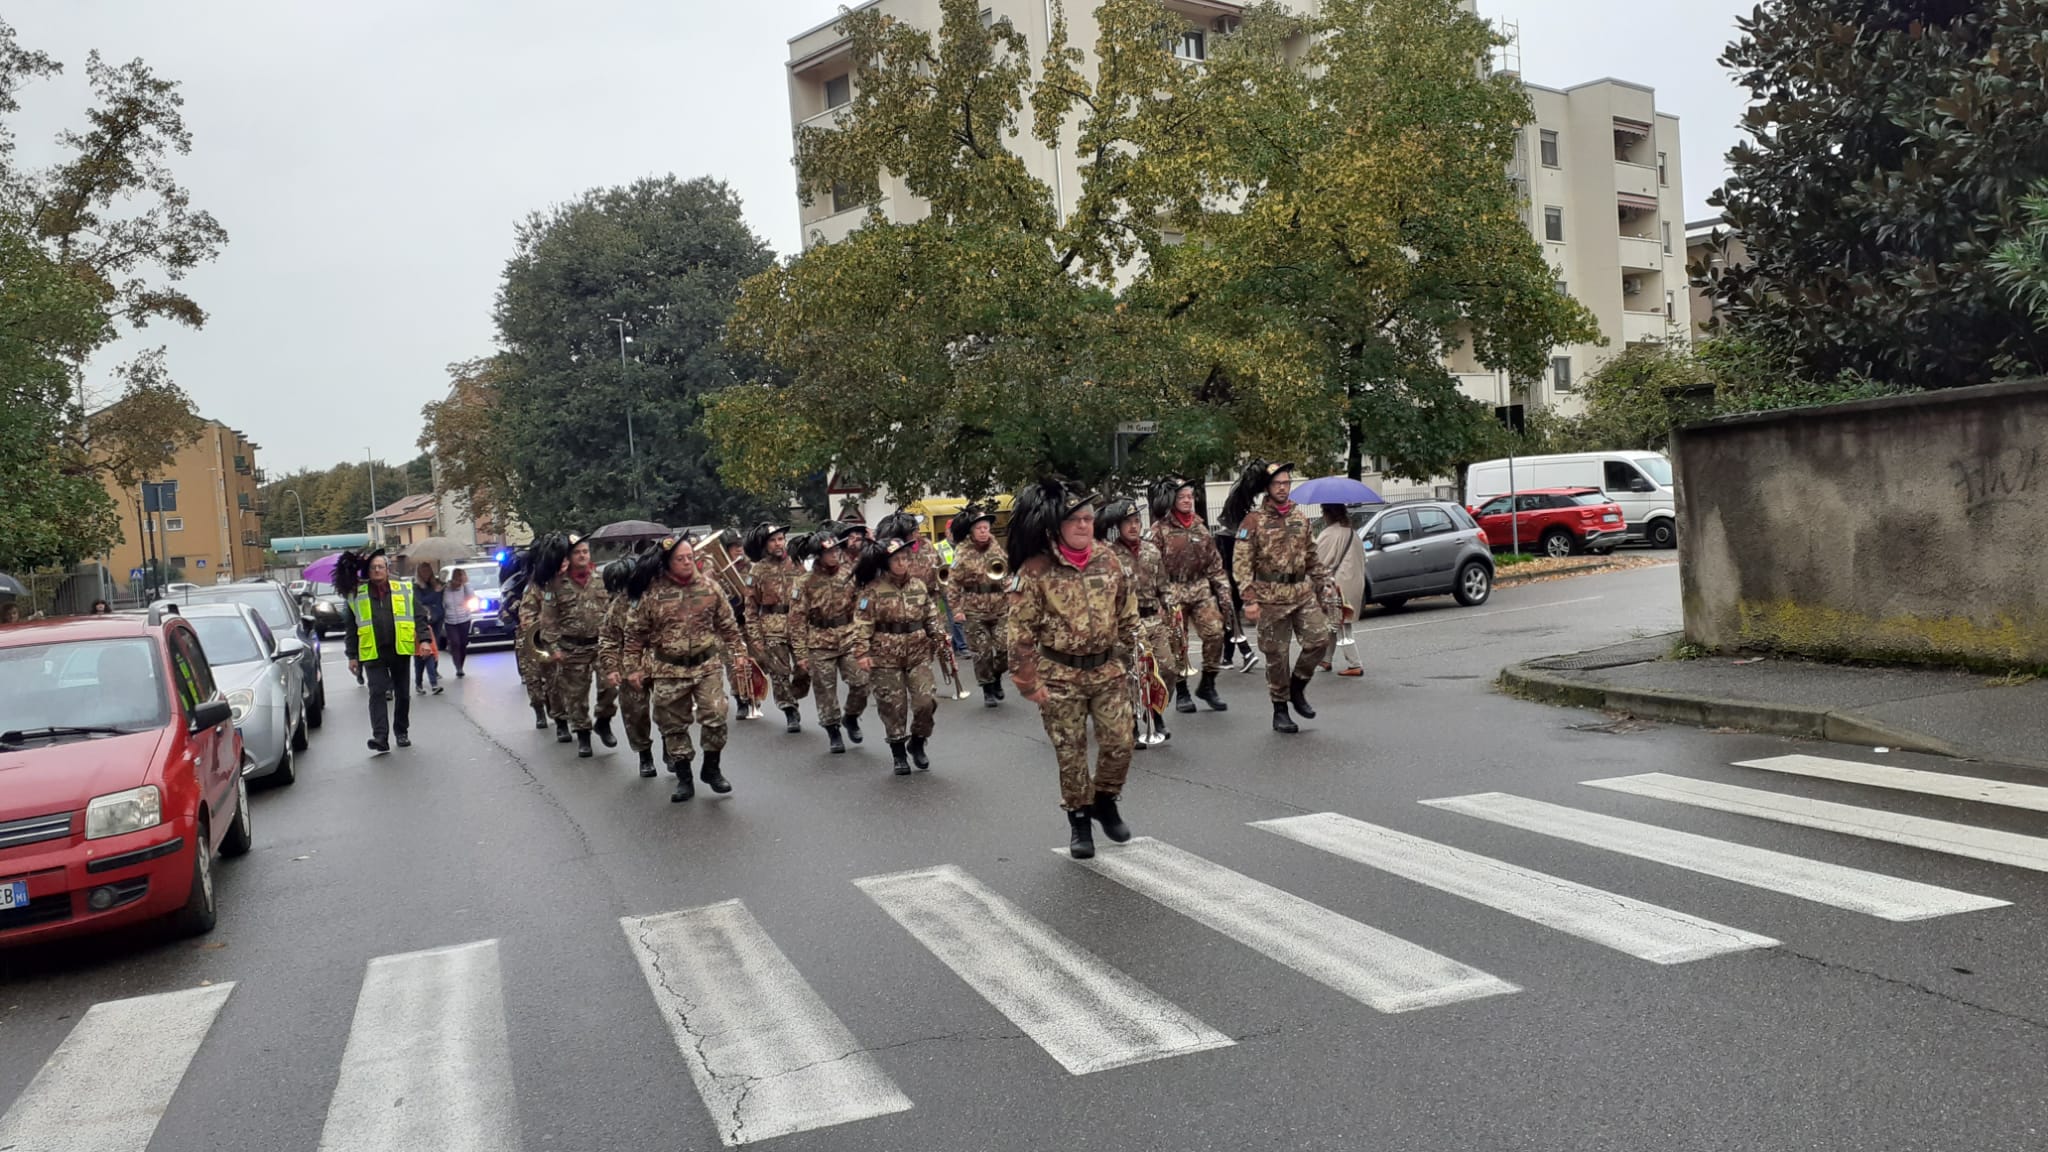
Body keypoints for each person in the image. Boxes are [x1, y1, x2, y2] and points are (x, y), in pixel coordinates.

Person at [1008, 480, 1139, 860]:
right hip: (1059, 674)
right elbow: (1019, 632)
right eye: (1076, 520)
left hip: (1106, 670)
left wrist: (1134, 655)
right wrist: (1027, 682)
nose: (1084, 526)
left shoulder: (1109, 559)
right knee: (1071, 752)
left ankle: (1105, 800)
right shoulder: (1036, 570)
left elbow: (1126, 611)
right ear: (1057, 526)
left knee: (1120, 742)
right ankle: (1080, 820)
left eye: (1088, 519)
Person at [623, 534, 750, 802]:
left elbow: (728, 625)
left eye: (690, 557)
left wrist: (739, 653)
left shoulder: (710, 587)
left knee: (716, 714)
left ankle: (711, 769)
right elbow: (634, 634)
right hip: (669, 669)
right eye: (680, 559)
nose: (687, 562)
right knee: (673, 725)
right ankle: (684, 778)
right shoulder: (652, 593)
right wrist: (632, 668)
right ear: (668, 562)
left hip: (707, 665)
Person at [1224, 461, 1336, 734]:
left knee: (1319, 639)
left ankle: (1297, 687)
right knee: (1277, 656)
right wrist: (1249, 600)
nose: (1283, 488)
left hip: (1301, 593)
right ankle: (1280, 709)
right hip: (1270, 599)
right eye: (1278, 484)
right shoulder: (1253, 522)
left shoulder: (1300, 518)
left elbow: (1311, 557)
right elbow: (1241, 564)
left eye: (1287, 483)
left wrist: (1325, 585)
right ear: (1268, 487)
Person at [853, 538, 945, 775]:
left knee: (926, 702)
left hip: (917, 653)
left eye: (905, 558)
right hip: (885, 657)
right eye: (896, 559)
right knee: (893, 707)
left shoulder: (918, 586)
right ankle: (898, 753)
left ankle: (917, 741)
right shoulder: (872, 590)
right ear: (887, 562)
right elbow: (862, 624)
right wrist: (862, 652)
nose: (902, 563)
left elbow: (931, 616)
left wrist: (940, 637)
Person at [1148, 478, 1233, 714]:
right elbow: (1150, 565)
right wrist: (1155, 599)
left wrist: (1224, 591)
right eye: (1182, 497)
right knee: (1177, 642)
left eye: (1190, 497)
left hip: (1199, 588)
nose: (1187, 501)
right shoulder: (1160, 530)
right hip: (1171, 591)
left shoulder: (1200, 527)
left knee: (1215, 633)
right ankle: (1182, 690)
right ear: (1173, 500)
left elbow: (1215, 563)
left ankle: (1208, 683)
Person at [519, 533, 609, 755]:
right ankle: (564, 723)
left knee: (607, 686)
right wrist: (548, 642)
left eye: (584, 552)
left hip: (596, 644)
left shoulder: (598, 579)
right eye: (574, 554)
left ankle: (602, 719)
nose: (577, 558)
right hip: (556, 643)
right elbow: (529, 615)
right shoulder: (544, 585)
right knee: (559, 687)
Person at [338, 549, 430, 753]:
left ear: (387, 569)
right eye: (373, 568)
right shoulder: (358, 595)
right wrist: (352, 656)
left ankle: (401, 731)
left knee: (403, 694)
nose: (377, 570)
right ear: (368, 572)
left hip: (400, 649)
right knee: (377, 692)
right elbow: (352, 627)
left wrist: (424, 641)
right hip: (373, 653)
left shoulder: (404, 589)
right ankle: (380, 737)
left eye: (380, 567)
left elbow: (419, 616)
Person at [1098, 499, 1172, 747]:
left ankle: (1156, 711)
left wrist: (1170, 608)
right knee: (1131, 676)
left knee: (1166, 668)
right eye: (1128, 522)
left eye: (1136, 521)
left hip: (1152, 619)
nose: (1133, 526)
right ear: (1118, 526)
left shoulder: (1152, 551)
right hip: (1126, 624)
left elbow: (1164, 585)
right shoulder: (1109, 555)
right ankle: (1132, 724)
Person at [789, 522, 869, 754]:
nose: (835, 555)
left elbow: (861, 608)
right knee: (825, 691)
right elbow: (796, 621)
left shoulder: (848, 575)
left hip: (848, 638)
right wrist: (801, 654)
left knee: (861, 683)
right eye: (830, 552)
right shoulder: (804, 583)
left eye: (836, 551)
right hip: (819, 643)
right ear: (819, 555)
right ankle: (833, 730)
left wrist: (864, 639)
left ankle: (851, 716)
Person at [742, 522, 812, 733]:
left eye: (780, 539)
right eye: (773, 540)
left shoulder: (797, 565)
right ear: (765, 545)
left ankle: (794, 694)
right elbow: (750, 607)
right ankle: (789, 709)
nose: (778, 543)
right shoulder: (758, 570)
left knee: (804, 669)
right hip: (772, 625)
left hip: (799, 624)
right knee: (779, 673)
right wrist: (755, 637)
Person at [596, 558, 656, 775]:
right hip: (629, 663)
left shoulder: (655, 597)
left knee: (670, 711)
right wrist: (611, 667)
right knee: (635, 713)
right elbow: (608, 639)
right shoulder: (617, 606)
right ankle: (644, 754)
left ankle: (674, 749)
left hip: (661, 661)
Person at [948, 503, 1011, 707]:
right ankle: (987, 689)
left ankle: (997, 677)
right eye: (979, 528)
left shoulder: (997, 548)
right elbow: (953, 583)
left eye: (986, 527)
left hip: (1000, 607)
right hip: (974, 610)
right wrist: (956, 610)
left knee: (1004, 649)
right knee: (982, 652)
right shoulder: (963, 552)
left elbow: (1008, 574)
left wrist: (1012, 586)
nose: (984, 531)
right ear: (972, 531)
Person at [1316, 505, 1366, 676]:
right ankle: (1326, 659)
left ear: (1329, 514)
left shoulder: (1329, 534)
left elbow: (1318, 561)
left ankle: (1354, 664)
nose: (1322, 516)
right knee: (1334, 622)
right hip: (1354, 583)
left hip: (1336, 585)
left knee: (1343, 625)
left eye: (1323, 512)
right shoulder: (1353, 533)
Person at [503, 549, 549, 728]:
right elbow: (505, 609)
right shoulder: (516, 586)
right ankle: (539, 710)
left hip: (549, 636)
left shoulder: (551, 584)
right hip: (526, 637)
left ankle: (555, 710)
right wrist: (511, 616)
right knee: (532, 678)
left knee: (552, 679)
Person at [413, 562, 446, 696]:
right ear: (419, 573)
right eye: (423, 571)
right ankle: (423, 682)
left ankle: (433, 675)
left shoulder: (436, 582)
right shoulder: (416, 586)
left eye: (428, 571)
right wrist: (436, 592)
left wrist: (442, 588)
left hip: (437, 618)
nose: (426, 574)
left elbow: (440, 599)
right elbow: (420, 601)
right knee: (424, 652)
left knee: (434, 649)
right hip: (424, 621)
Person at [443, 566, 474, 678]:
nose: (458, 581)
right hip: (450, 620)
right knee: (455, 643)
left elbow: (471, 597)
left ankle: (461, 664)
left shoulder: (464, 587)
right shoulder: (445, 588)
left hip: (464, 619)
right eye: (456, 578)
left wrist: (466, 584)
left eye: (460, 579)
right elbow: (441, 602)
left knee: (463, 644)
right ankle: (458, 668)